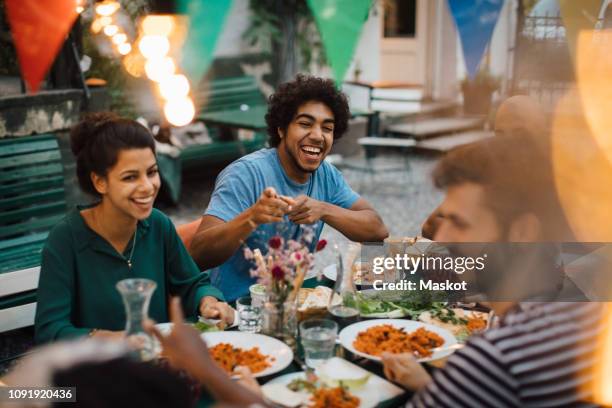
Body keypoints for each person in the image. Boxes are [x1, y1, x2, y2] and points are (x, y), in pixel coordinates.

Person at [382, 134, 604, 407]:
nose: (441, 238)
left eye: (460, 224)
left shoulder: (494, 359)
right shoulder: (590, 316)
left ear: (522, 232)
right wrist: (437, 388)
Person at [35, 113, 233, 344]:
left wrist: (208, 302)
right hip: (92, 371)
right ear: (100, 182)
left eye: (151, 172)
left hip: (156, 363)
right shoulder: (66, 238)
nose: (147, 187)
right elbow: (50, 331)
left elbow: (190, 284)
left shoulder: (158, 225)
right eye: (130, 177)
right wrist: (114, 339)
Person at [190, 75, 388, 300]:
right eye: (305, 124)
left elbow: (378, 230)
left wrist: (324, 209)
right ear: (281, 129)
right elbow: (197, 254)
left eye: (327, 128)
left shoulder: (327, 175)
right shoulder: (245, 174)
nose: (317, 136)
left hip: (289, 306)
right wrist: (252, 217)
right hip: (233, 311)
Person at [421, 94, 552, 240]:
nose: (507, 144)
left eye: (520, 135)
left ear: (543, 134)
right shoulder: (489, 171)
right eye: (500, 135)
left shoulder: (559, 183)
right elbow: (429, 226)